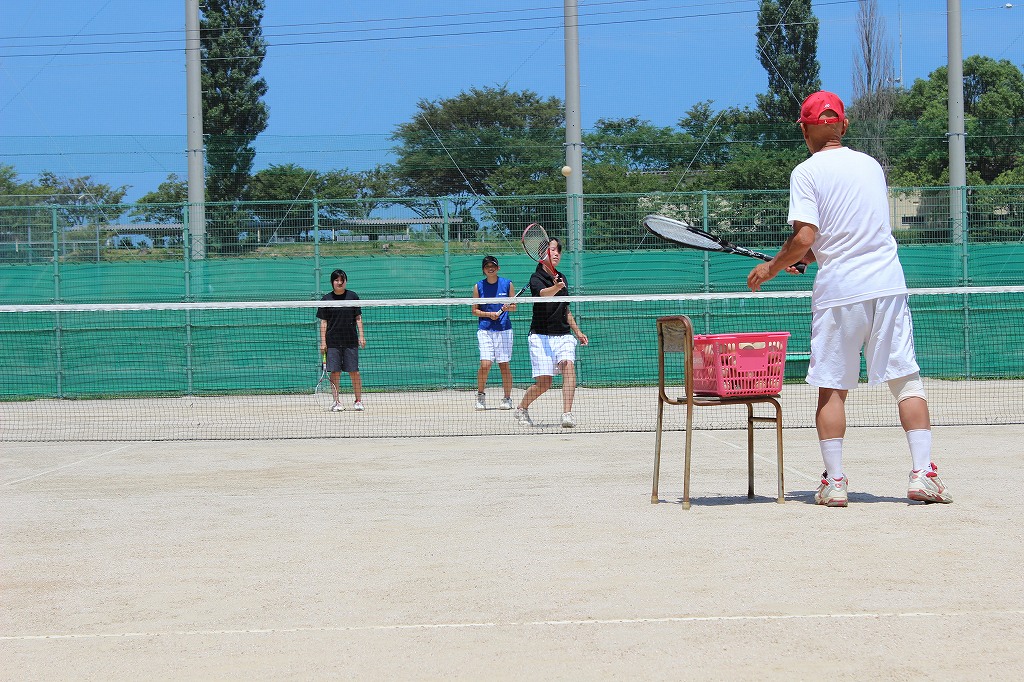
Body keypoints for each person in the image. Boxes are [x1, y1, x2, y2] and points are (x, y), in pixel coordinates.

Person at [747, 90, 952, 507]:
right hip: (887, 282)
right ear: (843, 124)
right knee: (907, 380)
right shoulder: (872, 166)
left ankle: (835, 482)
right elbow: (840, 233)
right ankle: (923, 476)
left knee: (832, 389)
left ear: (805, 130)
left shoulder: (805, 172)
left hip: (840, 289)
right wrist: (803, 256)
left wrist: (771, 267)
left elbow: (808, 236)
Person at [514, 238, 589, 428]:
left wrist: (577, 331)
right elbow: (543, 295)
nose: (556, 253)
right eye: (552, 250)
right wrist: (556, 287)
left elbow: (566, 309)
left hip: (563, 334)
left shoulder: (562, 277)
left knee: (569, 367)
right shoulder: (536, 278)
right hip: (541, 335)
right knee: (544, 384)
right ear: (542, 255)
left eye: (558, 251)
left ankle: (567, 414)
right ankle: (522, 408)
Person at [317, 269, 366, 412]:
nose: (339, 282)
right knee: (335, 373)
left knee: (354, 372)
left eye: (342, 280)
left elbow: (358, 318)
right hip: (332, 342)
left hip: (350, 340)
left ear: (346, 281)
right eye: (337, 280)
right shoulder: (326, 300)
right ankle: (336, 402)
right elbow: (323, 323)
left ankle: (358, 400)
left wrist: (361, 336)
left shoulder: (352, 296)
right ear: (332, 282)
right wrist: (323, 342)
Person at [471, 255, 517, 411]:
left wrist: (506, 307)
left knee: (504, 365)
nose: (490, 268)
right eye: (487, 266)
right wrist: (489, 315)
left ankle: (507, 398)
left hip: (504, 330)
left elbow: (514, 307)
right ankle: (480, 396)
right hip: (485, 330)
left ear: (498, 268)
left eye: (493, 266)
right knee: (485, 364)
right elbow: (475, 310)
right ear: (484, 270)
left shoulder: (507, 284)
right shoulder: (478, 287)